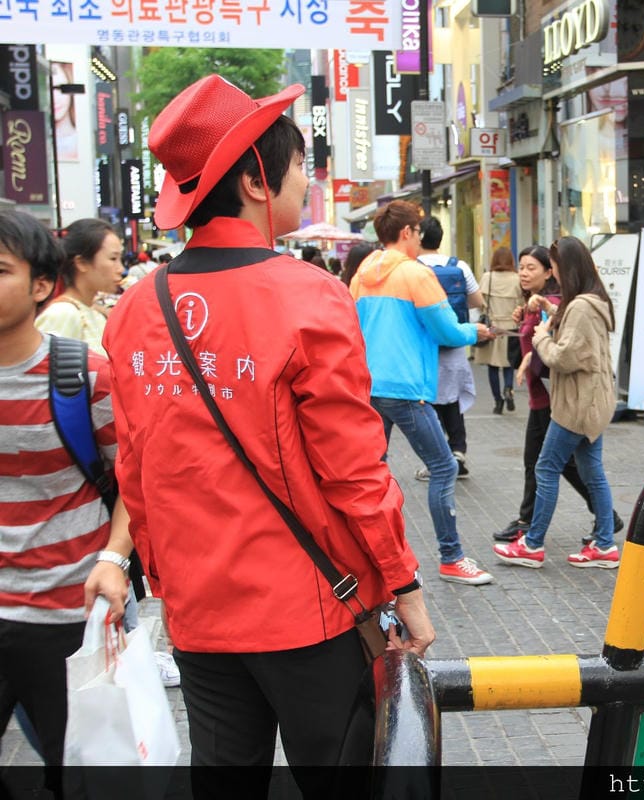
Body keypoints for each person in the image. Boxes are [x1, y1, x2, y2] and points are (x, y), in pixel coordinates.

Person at [101, 76, 435, 794]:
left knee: (222, 777)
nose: (304, 182)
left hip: (198, 613)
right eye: (298, 168)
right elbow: (354, 469)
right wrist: (403, 584)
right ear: (257, 179)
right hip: (308, 609)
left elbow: (136, 469)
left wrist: (168, 581)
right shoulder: (309, 296)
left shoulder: (133, 309)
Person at [0, 209, 130, 799]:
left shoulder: (82, 376)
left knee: (77, 774)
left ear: (40, 286)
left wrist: (115, 556)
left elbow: (133, 478)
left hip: (66, 618)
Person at [350, 200, 495, 586]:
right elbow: (446, 330)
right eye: (416, 230)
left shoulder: (363, 272)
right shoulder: (415, 274)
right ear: (407, 233)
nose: (418, 237)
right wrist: (474, 333)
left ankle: (368, 555)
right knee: (444, 466)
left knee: (371, 472)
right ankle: (451, 557)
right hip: (406, 387)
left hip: (368, 385)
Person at [493, 236, 619, 569]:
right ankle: (604, 543)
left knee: (546, 467)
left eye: (556, 266)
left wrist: (541, 339)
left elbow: (565, 357)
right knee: (592, 472)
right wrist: (549, 310)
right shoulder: (590, 301)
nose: (555, 273)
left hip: (578, 402)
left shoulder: (580, 306)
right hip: (592, 399)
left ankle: (532, 544)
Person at [413, 218, 483, 478]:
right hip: (454, 343)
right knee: (452, 399)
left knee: (428, 402)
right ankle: (457, 450)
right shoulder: (459, 266)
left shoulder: (412, 268)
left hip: (424, 345)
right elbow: (477, 301)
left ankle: (438, 459)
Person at [34, 218, 123, 355]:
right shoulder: (62, 314)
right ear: (81, 263)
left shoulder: (95, 313)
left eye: (119, 259)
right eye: (113, 259)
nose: (120, 269)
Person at [477, 246, 523, 414]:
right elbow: (522, 303)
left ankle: (498, 401)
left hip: (493, 328)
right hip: (511, 326)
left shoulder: (487, 278)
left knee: (493, 366)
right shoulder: (517, 279)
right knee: (509, 363)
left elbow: (481, 303)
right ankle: (509, 389)